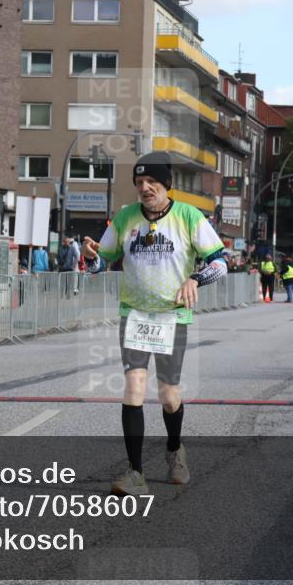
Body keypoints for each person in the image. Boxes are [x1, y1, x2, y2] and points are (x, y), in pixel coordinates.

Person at [80, 151, 227, 496]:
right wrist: (92, 258)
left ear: (166, 185)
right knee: (133, 388)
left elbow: (220, 264)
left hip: (171, 316)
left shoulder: (189, 217)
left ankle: (175, 450)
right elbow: (104, 261)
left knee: (168, 394)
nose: (145, 188)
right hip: (134, 314)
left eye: (152, 183)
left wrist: (196, 279)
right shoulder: (126, 217)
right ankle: (135, 474)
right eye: (139, 183)